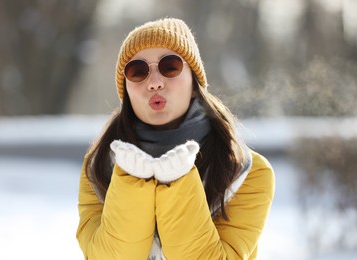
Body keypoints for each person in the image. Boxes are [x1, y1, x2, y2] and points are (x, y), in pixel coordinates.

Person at [76, 17, 275, 260]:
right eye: (138, 71)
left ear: (194, 81)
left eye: (170, 66)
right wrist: (130, 182)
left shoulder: (246, 173)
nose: (155, 83)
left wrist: (178, 183)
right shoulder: (98, 169)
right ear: (126, 90)